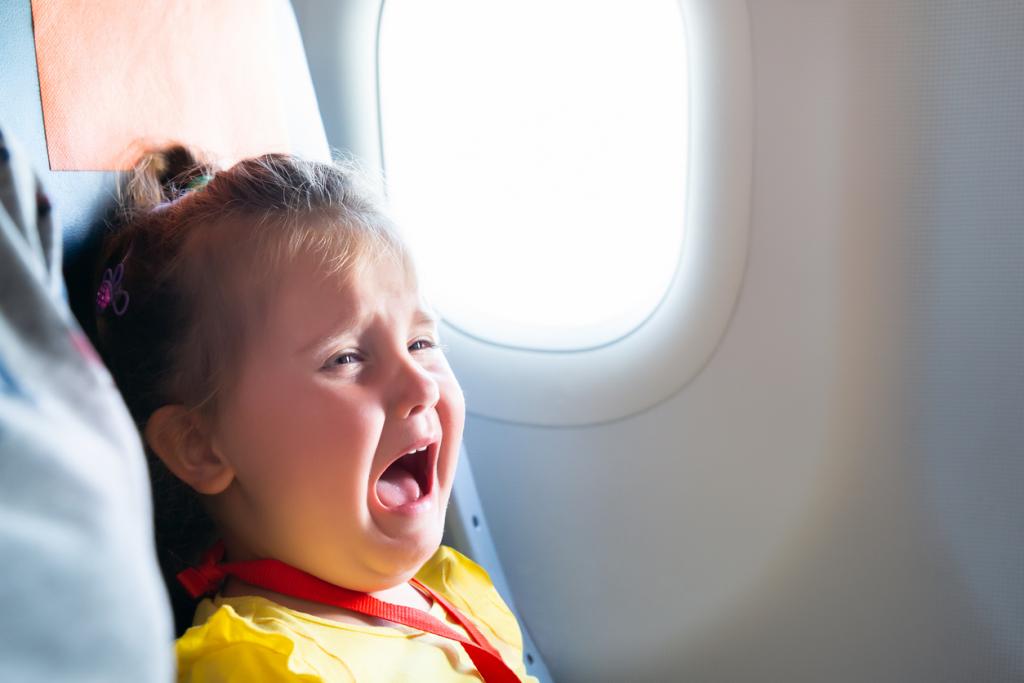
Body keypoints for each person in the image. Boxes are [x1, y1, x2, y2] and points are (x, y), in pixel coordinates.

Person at [92, 146, 537, 682]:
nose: (420, 384)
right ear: (201, 446)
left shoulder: (451, 592)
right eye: (345, 358)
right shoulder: (257, 664)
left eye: (421, 342)